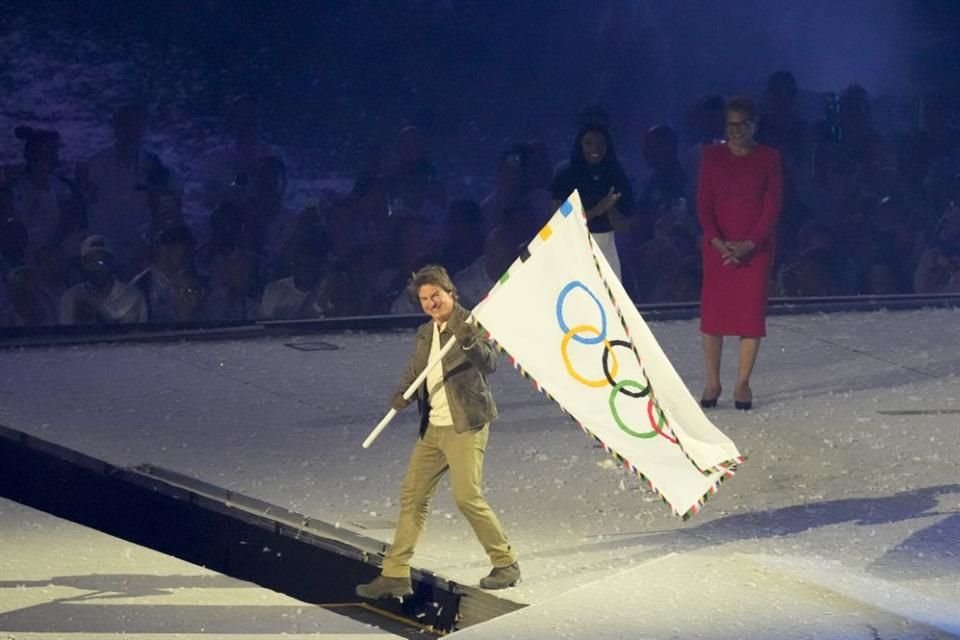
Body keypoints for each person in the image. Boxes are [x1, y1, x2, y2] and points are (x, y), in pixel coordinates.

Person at [355, 265, 519, 600]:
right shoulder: (425, 332)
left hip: (465, 426)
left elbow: (489, 363)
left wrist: (467, 336)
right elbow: (417, 371)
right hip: (432, 428)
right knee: (412, 497)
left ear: (450, 293)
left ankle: (506, 563)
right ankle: (395, 573)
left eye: (436, 297)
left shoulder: (472, 323)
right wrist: (403, 393)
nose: (431, 303)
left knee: (466, 496)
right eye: (424, 299)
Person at [696, 96, 783, 411]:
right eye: (731, 124)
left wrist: (750, 244)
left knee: (749, 316)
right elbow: (704, 203)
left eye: (743, 124)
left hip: (755, 250)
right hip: (717, 247)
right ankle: (712, 381)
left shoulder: (769, 158)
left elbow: (771, 206)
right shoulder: (711, 157)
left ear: (753, 124)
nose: (737, 131)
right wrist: (717, 241)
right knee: (714, 316)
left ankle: (743, 383)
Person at [550, 123, 635, 280]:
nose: (595, 149)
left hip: (606, 246)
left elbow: (624, 226)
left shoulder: (616, 174)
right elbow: (558, 221)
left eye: (600, 143)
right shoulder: (565, 176)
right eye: (588, 143)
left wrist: (610, 208)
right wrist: (597, 209)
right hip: (573, 247)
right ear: (579, 144)